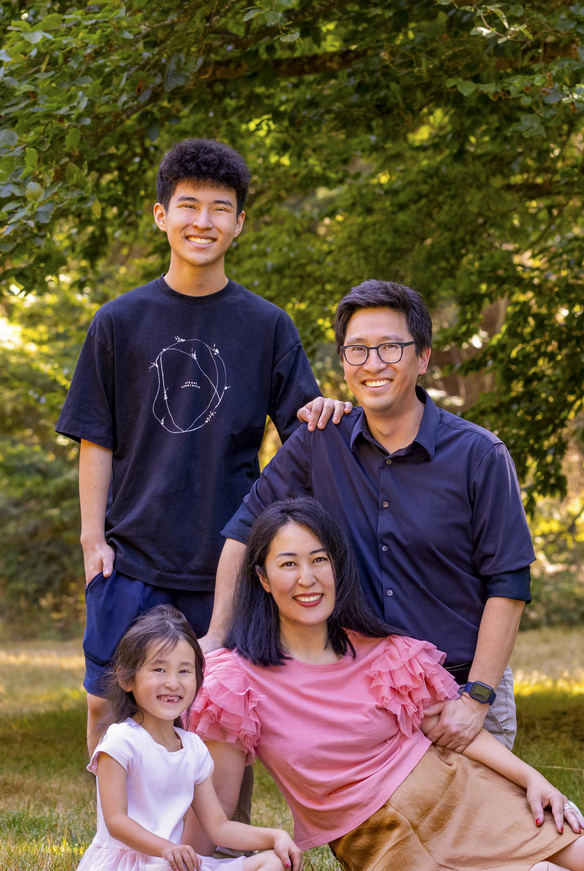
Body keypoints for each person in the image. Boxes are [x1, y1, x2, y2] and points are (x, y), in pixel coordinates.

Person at [187, 499, 584, 871]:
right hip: (386, 839)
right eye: (288, 563)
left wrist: (531, 778)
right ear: (262, 578)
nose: (308, 578)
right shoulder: (236, 681)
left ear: (338, 567)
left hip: (460, 791)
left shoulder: (383, 652)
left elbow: (454, 730)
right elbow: (217, 808)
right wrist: (177, 869)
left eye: (320, 559)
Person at [56, 137, 349, 752]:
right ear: (161, 215)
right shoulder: (118, 321)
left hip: (227, 555)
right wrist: (91, 539)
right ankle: (119, 819)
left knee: (221, 714)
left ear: (239, 223)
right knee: (107, 703)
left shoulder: (267, 325)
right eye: (188, 205)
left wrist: (326, 411)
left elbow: (303, 436)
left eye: (220, 208)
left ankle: (212, 824)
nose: (203, 221)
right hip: (131, 552)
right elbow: (95, 437)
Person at [203, 279, 534, 753]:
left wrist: (478, 697)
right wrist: (218, 635)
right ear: (343, 362)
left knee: (487, 806)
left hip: (457, 693)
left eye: (390, 348)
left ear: (423, 357)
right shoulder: (320, 440)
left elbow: (509, 584)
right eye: (357, 350)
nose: (372, 364)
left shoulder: (479, 455)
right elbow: (245, 531)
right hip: (360, 698)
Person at [33, 605, 302, 871]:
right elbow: (116, 821)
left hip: (174, 861)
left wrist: (274, 836)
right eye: (159, 670)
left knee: (278, 861)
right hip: (127, 867)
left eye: (184, 671)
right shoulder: (121, 740)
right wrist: (167, 849)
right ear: (126, 679)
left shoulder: (192, 747)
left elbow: (218, 826)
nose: (173, 683)